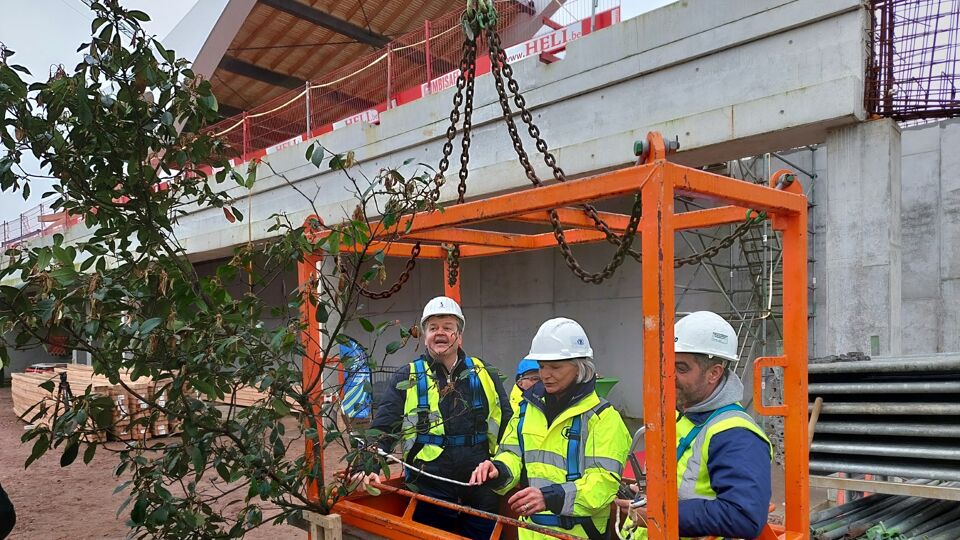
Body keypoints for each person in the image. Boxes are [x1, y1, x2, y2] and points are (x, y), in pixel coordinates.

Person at [356, 296, 512, 540]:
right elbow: (384, 427)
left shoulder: (484, 374)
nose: (440, 334)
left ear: (459, 335)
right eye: (433, 328)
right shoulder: (406, 377)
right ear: (424, 334)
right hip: (428, 483)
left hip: (479, 483)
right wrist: (368, 465)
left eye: (448, 328)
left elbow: (508, 426)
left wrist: (503, 467)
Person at [471, 317, 630, 540]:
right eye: (542, 366)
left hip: (579, 534)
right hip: (532, 533)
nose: (545, 374)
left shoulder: (603, 419)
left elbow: (602, 484)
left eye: (555, 367)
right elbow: (512, 454)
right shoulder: (527, 409)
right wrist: (498, 470)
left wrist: (549, 498)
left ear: (580, 367)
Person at [619, 311, 773, 539]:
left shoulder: (736, 435)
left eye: (681, 369)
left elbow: (744, 516)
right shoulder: (682, 415)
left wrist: (659, 513)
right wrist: (647, 497)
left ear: (714, 373)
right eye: (667, 366)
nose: (668, 376)